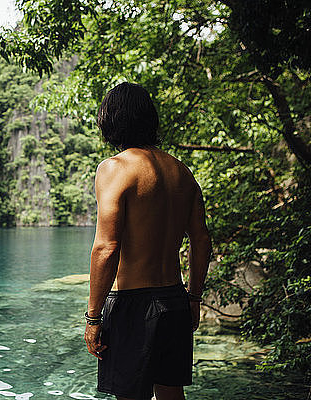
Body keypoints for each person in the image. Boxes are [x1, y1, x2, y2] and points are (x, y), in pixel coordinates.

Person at [83, 82, 212, 400]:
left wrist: (93, 317)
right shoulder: (182, 172)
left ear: (111, 121)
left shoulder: (114, 168)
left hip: (133, 304)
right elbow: (201, 239)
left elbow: (106, 247)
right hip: (174, 300)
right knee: (171, 394)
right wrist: (194, 298)